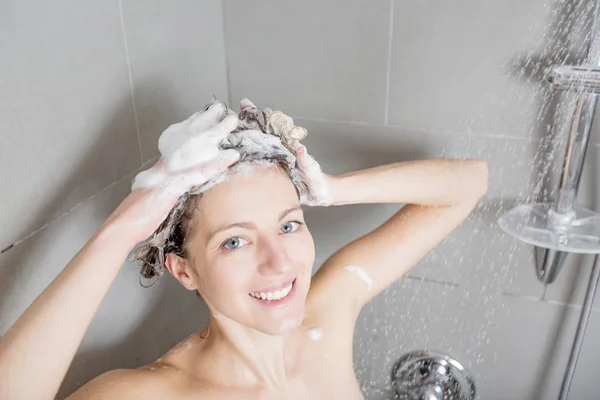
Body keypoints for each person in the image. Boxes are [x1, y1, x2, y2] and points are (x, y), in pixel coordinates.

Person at [0, 99, 488, 400]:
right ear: (184, 271)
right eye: (235, 240)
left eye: (289, 226)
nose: (279, 263)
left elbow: (468, 184)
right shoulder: (151, 392)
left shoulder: (327, 315)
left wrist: (329, 189)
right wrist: (121, 230)